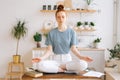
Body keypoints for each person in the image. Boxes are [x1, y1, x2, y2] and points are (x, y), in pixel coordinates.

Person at [32, 5, 93, 74]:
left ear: (66, 17)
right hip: (55, 60)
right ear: (56, 18)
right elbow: (49, 50)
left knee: (84, 64)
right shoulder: (51, 33)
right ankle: (59, 69)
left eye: (63, 17)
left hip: (67, 61)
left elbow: (73, 49)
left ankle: (61, 68)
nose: (61, 19)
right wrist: (41, 58)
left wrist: (82, 57)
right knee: (39, 65)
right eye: (58, 17)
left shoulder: (72, 32)